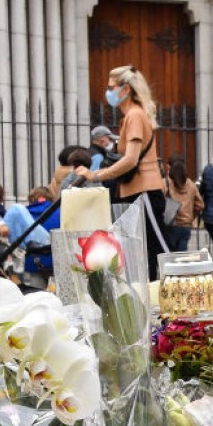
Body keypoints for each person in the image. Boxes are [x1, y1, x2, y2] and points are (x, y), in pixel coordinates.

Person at [76, 65, 166, 279]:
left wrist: (96, 175)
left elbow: (130, 159)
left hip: (144, 191)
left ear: (125, 89)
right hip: (136, 192)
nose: (108, 92)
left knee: (160, 252)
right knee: (145, 256)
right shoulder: (132, 116)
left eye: (111, 87)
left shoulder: (134, 115)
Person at [165, 157, 203, 253]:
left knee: (169, 256)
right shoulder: (191, 185)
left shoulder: (167, 183)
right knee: (181, 256)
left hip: (171, 225)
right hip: (186, 225)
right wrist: (191, 215)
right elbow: (200, 204)